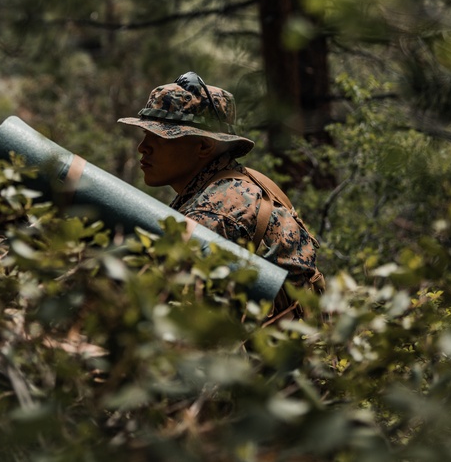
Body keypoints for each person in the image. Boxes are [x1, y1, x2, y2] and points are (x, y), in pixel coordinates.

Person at [118, 72, 323, 321]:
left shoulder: (215, 211)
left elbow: (183, 318)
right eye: (145, 134)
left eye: (160, 136)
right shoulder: (246, 181)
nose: (142, 147)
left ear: (204, 146)